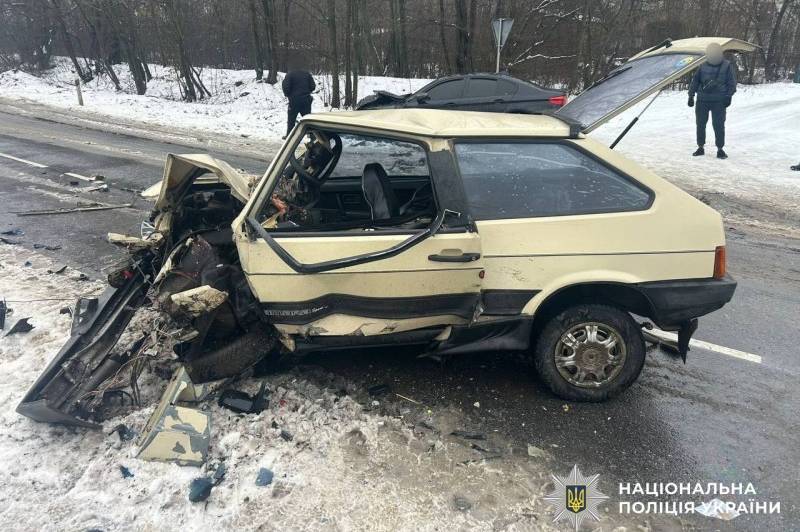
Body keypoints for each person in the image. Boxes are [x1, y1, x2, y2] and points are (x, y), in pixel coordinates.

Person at [688, 43, 736, 159]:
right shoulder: (702, 64)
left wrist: (728, 96)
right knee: (700, 124)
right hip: (702, 100)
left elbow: (731, 83)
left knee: (718, 125)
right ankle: (700, 147)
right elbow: (696, 80)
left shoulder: (726, 66)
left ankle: (720, 149)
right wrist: (691, 95)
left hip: (719, 101)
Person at [282, 69, 316, 138]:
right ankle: (313, 136)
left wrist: (288, 95)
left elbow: (286, 87)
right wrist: (307, 92)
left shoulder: (290, 74)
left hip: (294, 101)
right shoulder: (307, 73)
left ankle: (289, 136)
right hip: (306, 100)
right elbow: (313, 86)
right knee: (308, 120)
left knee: (291, 120)